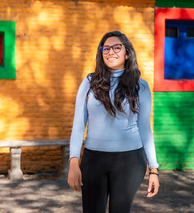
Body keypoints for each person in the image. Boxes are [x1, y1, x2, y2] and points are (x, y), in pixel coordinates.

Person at [68, 31, 160, 213]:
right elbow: (79, 125)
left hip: (130, 160)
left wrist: (154, 170)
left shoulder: (140, 86)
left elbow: (145, 129)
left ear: (127, 53)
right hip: (93, 160)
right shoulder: (89, 83)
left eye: (117, 47)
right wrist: (73, 161)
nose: (111, 52)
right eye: (106, 48)